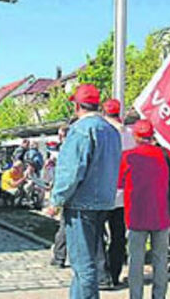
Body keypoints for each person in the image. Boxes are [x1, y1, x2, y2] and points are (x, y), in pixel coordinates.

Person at [49, 84, 122, 299]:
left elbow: (71, 170)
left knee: (84, 266)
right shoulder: (111, 130)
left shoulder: (81, 129)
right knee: (85, 266)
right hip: (104, 201)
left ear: (76, 106)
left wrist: (56, 200)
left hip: (81, 203)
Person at [119, 119, 170, 299]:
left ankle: (136, 296)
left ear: (135, 136)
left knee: (136, 262)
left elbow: (118, 182)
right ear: (152, 135)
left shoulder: (128, 156)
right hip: (162, 215)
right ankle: (159, 296)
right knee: (160, 260)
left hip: (135, 216)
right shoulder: (165, 154)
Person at [100, 98, 136, 286]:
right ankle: (114, 274)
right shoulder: (130, 134)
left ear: (104, 113)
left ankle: (101, 274)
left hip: (102, 192)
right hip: (123, 193)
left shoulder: (101, 133)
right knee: (118, 237)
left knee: (98, 235)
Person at [50, 124, 70, 269]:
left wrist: (56, 200)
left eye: (60, 135)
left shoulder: (66, 149)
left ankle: (59, 257)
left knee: (64, 226)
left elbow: (64, 175)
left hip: (69, 193)